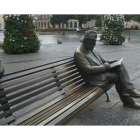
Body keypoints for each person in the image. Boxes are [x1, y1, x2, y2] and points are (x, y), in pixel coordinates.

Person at [74, 30, 140, 109]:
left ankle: (128, 90)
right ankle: (129, 100)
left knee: (120, 66)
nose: (94, 44)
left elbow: (103, 61)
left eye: (95, 42)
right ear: (85, 41)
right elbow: (88, 69)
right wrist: (104, 67)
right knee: (118, 77)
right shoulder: (79, 53)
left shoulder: (92, 49)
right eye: (92, 42)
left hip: (100, 73)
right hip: (93, 78)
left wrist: (114, 61)